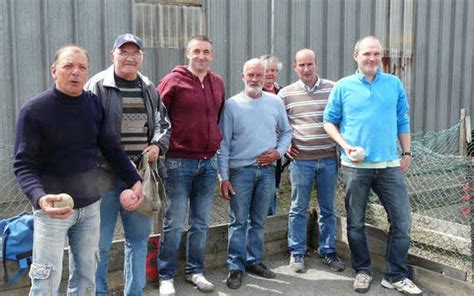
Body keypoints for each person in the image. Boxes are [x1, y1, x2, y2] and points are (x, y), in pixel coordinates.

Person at [13, 45, 143, 295]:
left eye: (81, 67)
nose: (75, 72)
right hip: (51, 210)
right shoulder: (34, 111)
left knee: (86, 278)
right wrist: (39, 197)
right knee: (45, 279)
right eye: (68, 66)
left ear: (87, 73)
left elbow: (110, 147)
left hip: (90, 208)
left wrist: (133, 179)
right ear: (54, 71)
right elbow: (23, 163)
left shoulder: (92, 104)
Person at [323, 36, 422, 295]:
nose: (372, 58)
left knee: (402, 220)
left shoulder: (393, 84)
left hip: (390, 165)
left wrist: (407, 152)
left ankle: (395, 275)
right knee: (355, 223)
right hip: (355, 167)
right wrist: (345, 146)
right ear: (356, 56)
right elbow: (329, 122)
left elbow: (402, 119)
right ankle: (363, 271)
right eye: (367, 53)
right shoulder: (344, 86)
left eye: (377, 54)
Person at [84, 33, 171, 295]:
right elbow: (86, 132)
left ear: (142, 57)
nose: (130, 58)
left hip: (139, 179)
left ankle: (134, 292)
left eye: (135, 53)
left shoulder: (149, 88)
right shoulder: (97, 86)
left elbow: (164, 125)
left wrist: (157, 146)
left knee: (137, 240)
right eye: (124, 52)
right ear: (113, 55)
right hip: (104, 178)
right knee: (98, 244)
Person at [157, 35, 225, 295]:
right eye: (196, 51)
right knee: (174, 222)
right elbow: (158, 118)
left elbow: (217, 117)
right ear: (187, 52)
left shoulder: (217, 82)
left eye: (206, 51)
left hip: (208, 161)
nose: (201, 56)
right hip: (178, 162)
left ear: (212, 55)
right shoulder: (173, 80)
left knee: (200, 221)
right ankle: (166, 276)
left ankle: (195, 271)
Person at [219, 58, 292, 289]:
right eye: (250, 75)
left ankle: (254, 261)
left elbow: (287, 132)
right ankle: (235, 266)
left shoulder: (275, 102)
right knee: (238, 221)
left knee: (259, 220)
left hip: (267, 171)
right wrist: (224, 177)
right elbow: (224, 144)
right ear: (243, 77)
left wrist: (278, 153)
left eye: (259, 75)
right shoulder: (231, 105)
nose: (254, 79)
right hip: (240, 171)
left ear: (266, 77)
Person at [279, 48, 345, 273]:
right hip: (301, 162)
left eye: (310, 64)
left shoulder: (333, 89)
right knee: (298, 207)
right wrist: (284, 146)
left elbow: (342, 121)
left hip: (328, 160)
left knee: (328, 208)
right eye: (301, 65)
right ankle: (297, 252)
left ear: (316, 64)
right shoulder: (285, 94)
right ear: (294, 67)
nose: (306, 69)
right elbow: (279, 126)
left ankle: (328, 251)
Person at [260, 54, 284, 216]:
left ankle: (270, 219)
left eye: (273, 70)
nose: (270, 74)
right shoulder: (254, 91)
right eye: (267, 70)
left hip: (277, 148)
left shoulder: (283, 92)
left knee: (272, 187)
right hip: (258, 148)